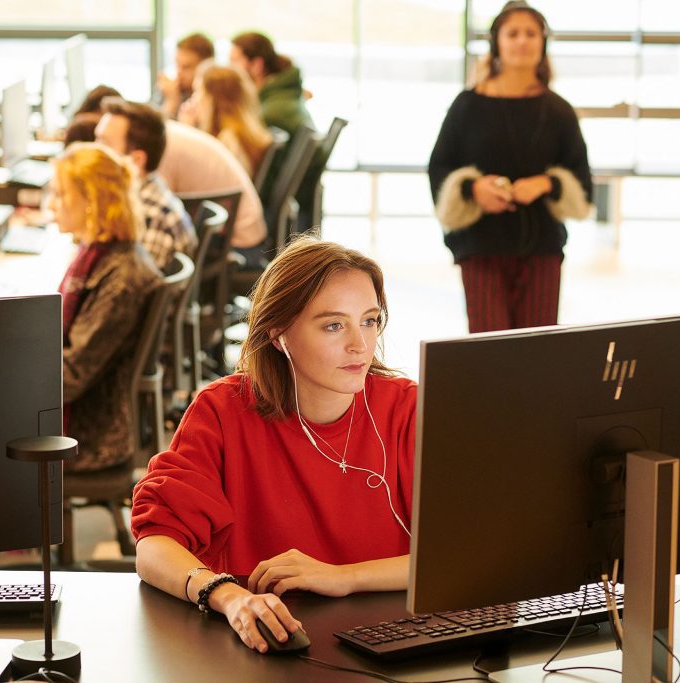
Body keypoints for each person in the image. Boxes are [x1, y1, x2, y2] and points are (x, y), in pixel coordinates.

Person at [130, 236, 416, 653]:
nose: (360, 344)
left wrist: (344, 576)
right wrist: (230, 598)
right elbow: (155, 546)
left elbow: (468, 554)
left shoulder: (408, 408)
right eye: (334, 325)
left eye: (370, 320)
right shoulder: (222, 411)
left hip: (395, 643)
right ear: (278, 334)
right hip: (269, 645)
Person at [428, 0, 591, 334]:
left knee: (536, 352)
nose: (522, 41)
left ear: (543, 43)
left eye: (531, 33)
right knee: (489, 350)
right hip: (480, 246)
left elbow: (581, 180)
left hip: (542, 249)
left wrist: (546, 184)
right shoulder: (467, 105)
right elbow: (440, 166)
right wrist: (474, 188)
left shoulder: (559, 111)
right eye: (513, 33)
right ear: (497, 41)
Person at [50, 142, 163, 472]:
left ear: (91, 201)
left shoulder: (120, 279)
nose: (50, 205)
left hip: (89, 434)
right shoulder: (98, 255)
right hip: (88, 409)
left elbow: (71, 377)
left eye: (60, 195)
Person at [94, 98, 197, 270]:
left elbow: (132, 290)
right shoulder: (137, 194)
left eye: (104, 144)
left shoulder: (150, 215)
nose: (92, 151)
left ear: (136, 160)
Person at [157, 119, 267, 250]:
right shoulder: (168, 133)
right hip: (242, 227)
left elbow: (160, 206)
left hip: (236, 240)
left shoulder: (161, 145)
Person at [180, 63, 272, 177]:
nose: (193, 99)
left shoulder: (229, 141)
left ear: (213, 99)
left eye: (197, 91)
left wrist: (187, 131)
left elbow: (201, 180)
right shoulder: (239, 134)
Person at [229, 31, 314, 137]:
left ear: (256, 64)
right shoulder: (282, 95)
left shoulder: (271, 113)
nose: (230, 68)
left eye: (234, 61)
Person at [156, 33, 214, 120]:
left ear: (206, 67)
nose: (179, 72)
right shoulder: (170, 90)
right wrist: (171, 102)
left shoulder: (211, 98)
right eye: (177, 64)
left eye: (186, 67)